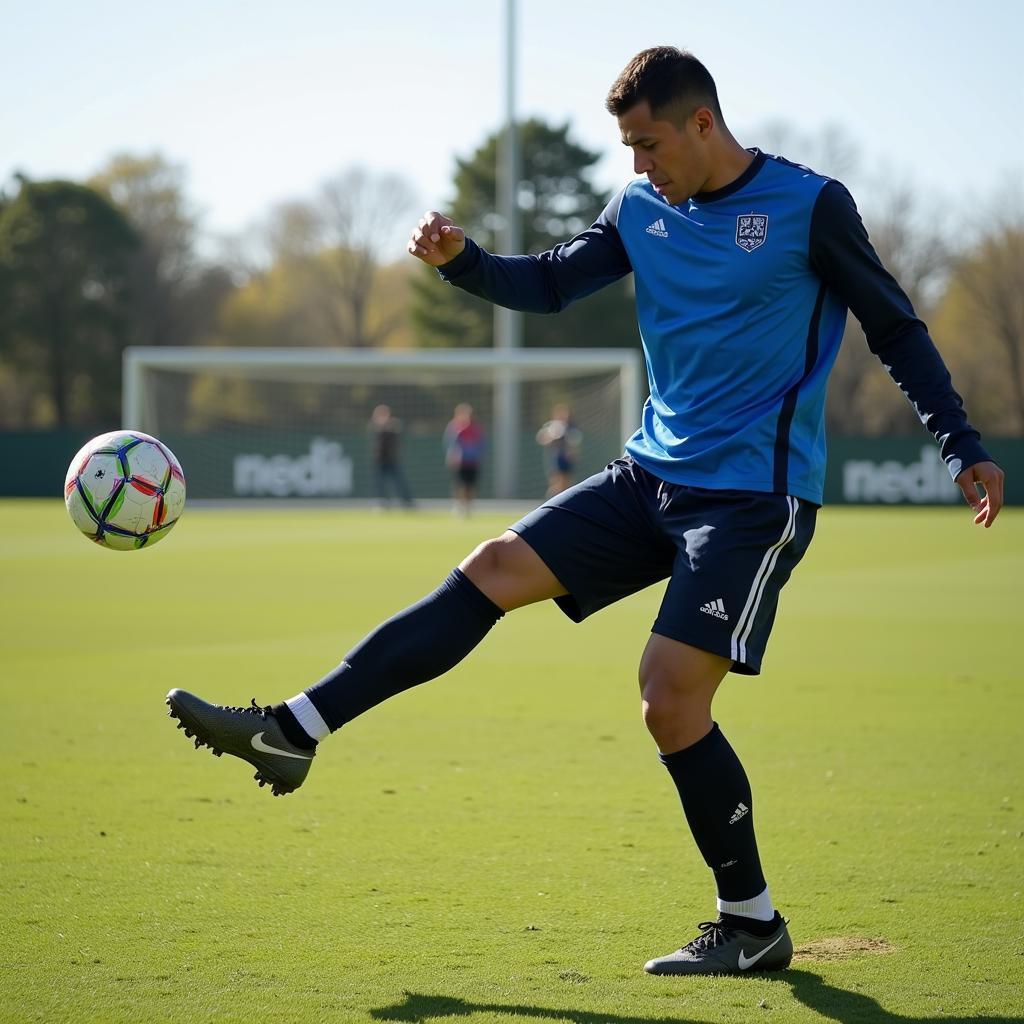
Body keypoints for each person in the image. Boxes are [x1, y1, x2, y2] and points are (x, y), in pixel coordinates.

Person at [165, 47, 1004, 977]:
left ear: (701, 122)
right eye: (626, 149)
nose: (638, 166)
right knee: (491, 568)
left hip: (753, 497)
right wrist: (464, 262)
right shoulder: (639, 208)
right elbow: (554, 280)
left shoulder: (811, 206)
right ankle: (293, 730)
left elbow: (895, 325)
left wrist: (959, 443)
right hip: (648, 475)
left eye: (648, 144)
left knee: (668, 698)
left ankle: (751, 922)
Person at [368, 404, 414, 508]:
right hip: (379, 460)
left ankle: (407, 501)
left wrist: (387, 425)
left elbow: (398, 432)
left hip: (392, 460)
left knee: (399, 482)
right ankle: (381, 501)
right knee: (379, 483)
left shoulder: (393, 426)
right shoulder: (375, 427)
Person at [442, 402, 485, 516]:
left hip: (473, 461)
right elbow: (450, 444)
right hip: (460, 461)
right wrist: (452, 456)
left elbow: (480, 443)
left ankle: (468, 506)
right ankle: (459, 505)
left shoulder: (475, 428)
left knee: (471, 484)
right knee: (460, 484)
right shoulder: (454, 427)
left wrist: (479, 456)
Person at [536, 403, 582, 497]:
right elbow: (541, 439)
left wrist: (573, 453)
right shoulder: (551, 426)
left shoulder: (571, 427)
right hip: (557, 457)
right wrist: (552, 436)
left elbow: (574, 443)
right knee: (557, 483)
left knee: (567, 483)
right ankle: (550, 501)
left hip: (567, 459)